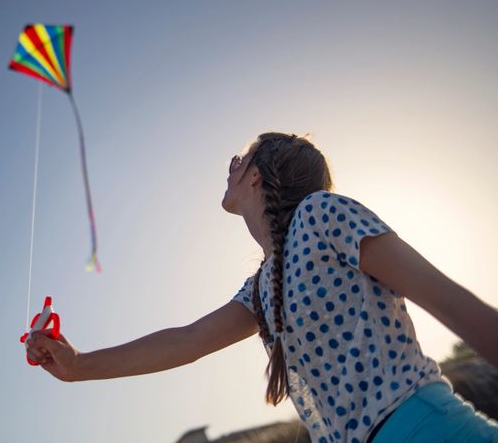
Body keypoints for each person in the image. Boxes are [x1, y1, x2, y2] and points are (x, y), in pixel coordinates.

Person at [26, 132, 498, 442]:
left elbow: (449, 300)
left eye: (238, 159)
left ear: (257, 176)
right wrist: (77, 365)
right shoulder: (261, 287)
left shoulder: (322, 213)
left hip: (425, 426)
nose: (229, 168)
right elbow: (186, 341)